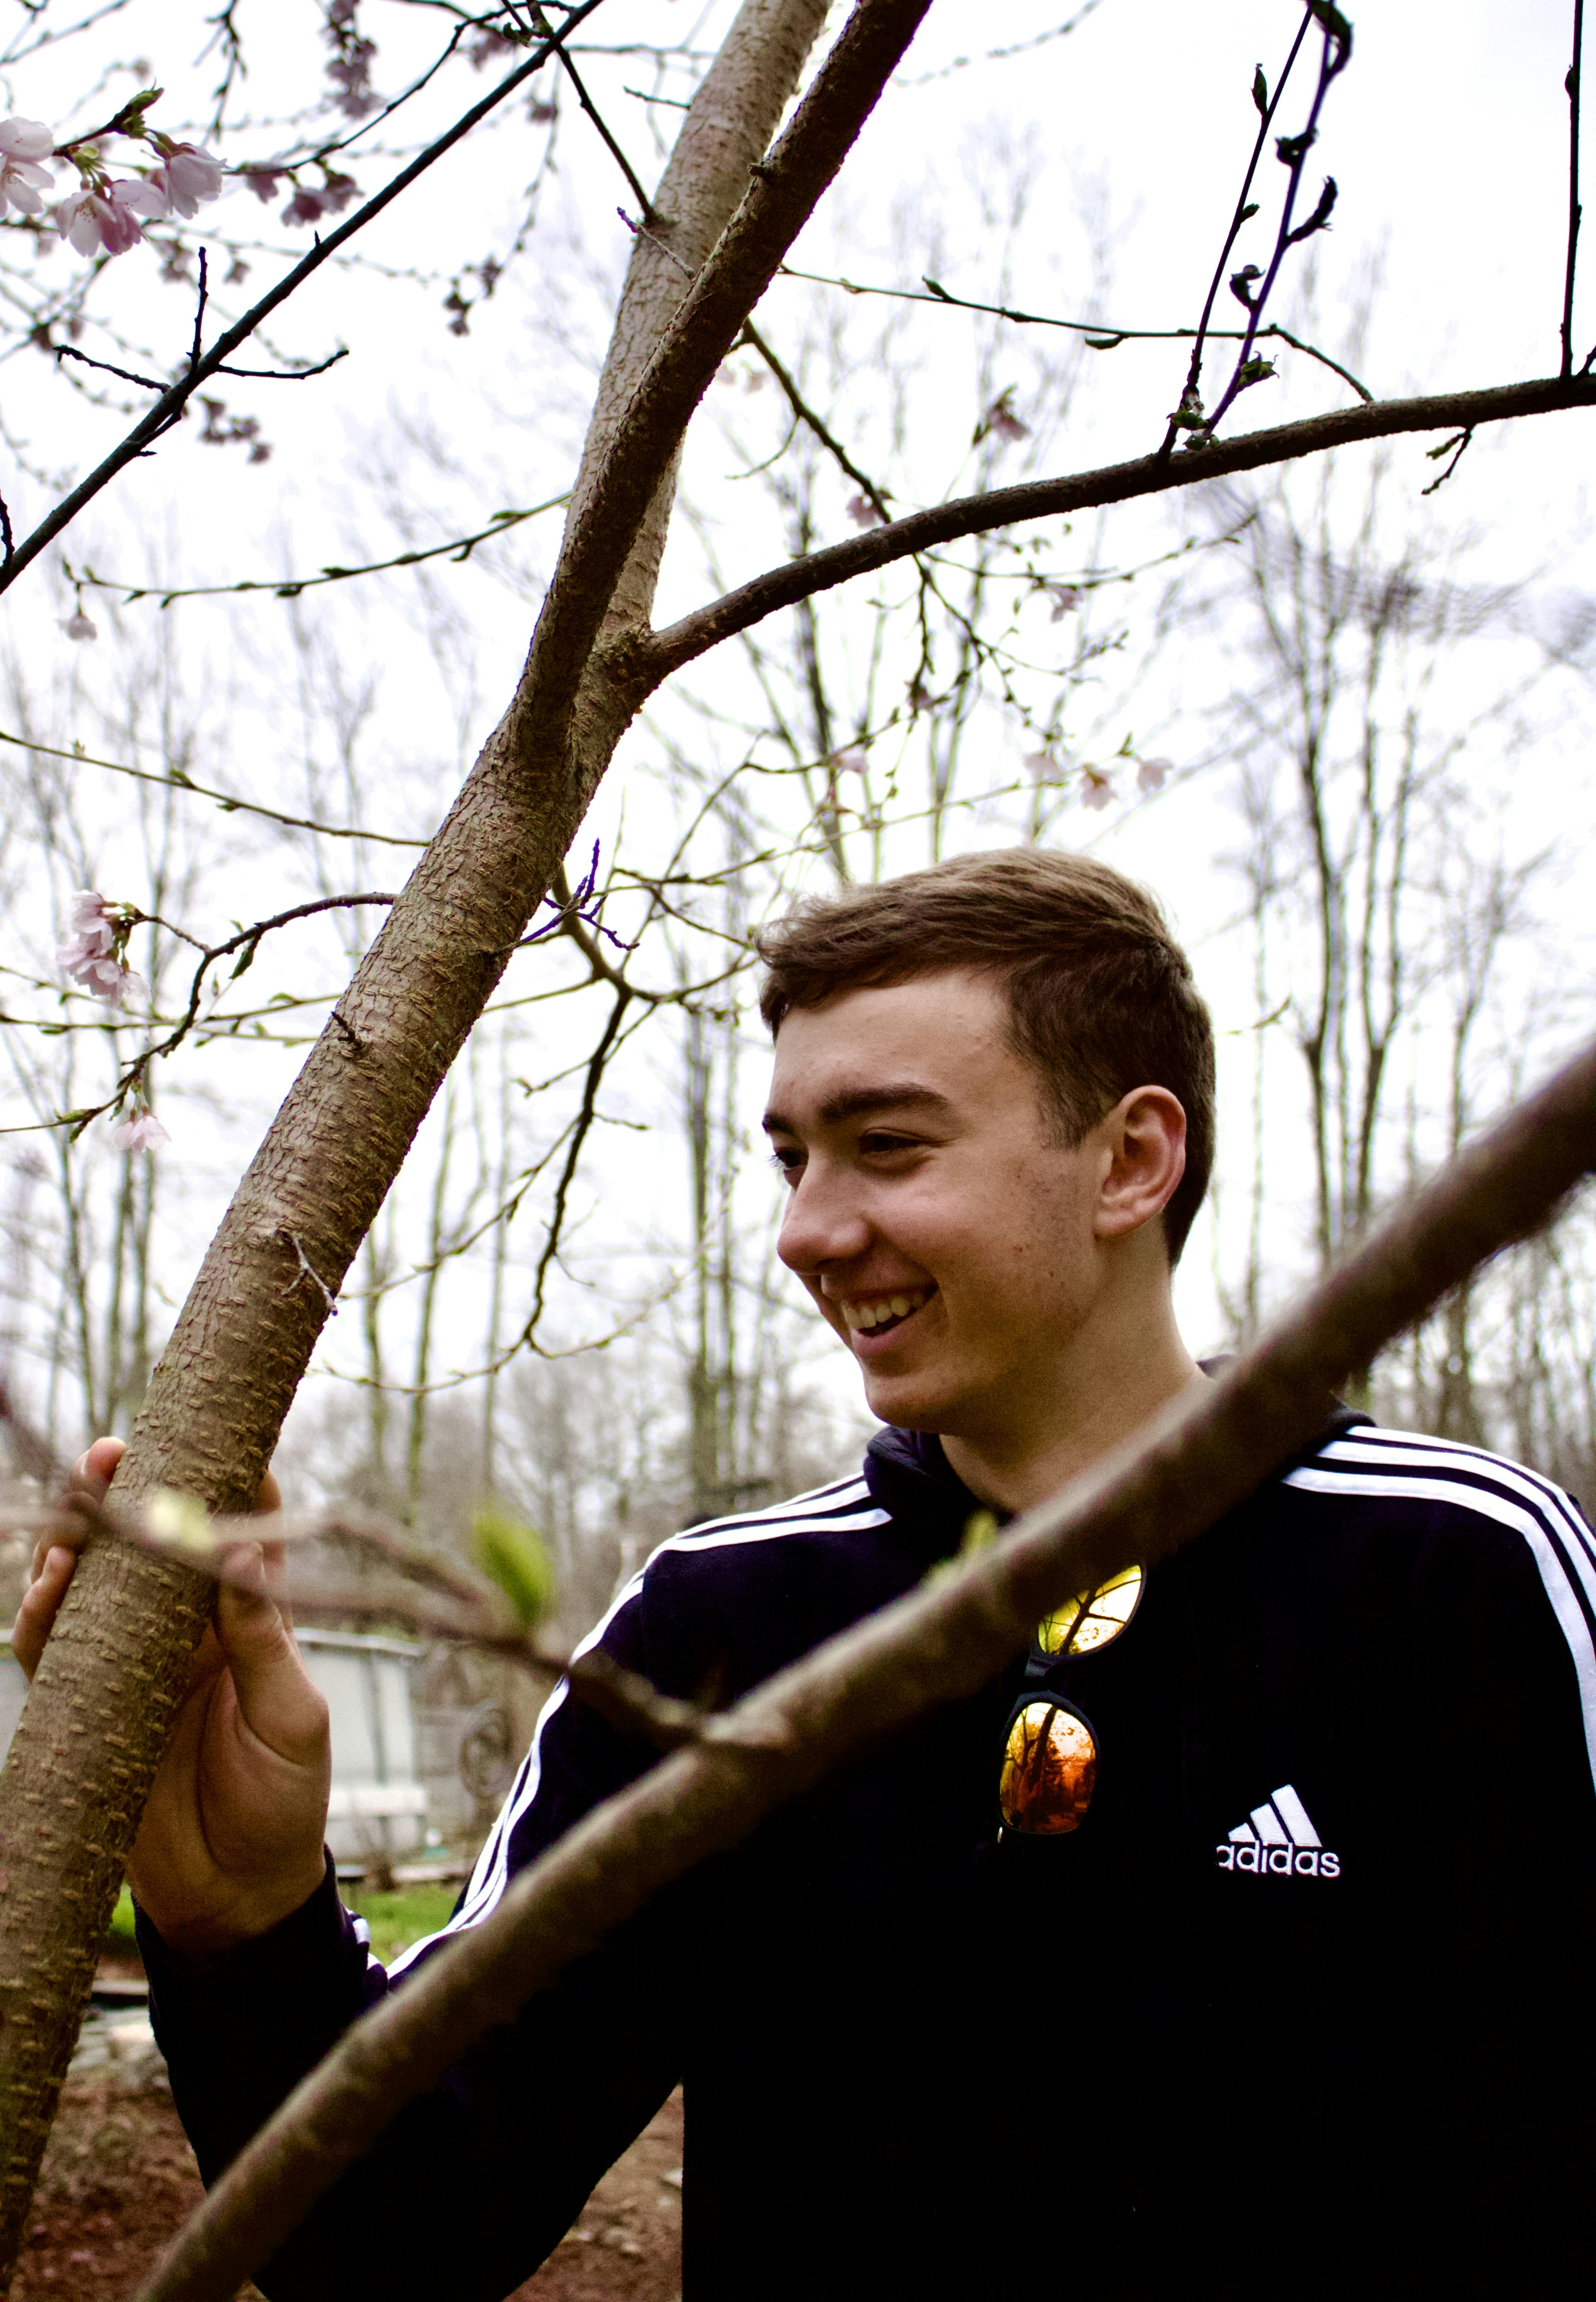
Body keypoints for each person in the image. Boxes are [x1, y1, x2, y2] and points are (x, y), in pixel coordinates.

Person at [17, 847, 1596, 2300]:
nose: (806, 1231)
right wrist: (245, 1922)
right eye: (790, 1160)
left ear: (1130, 1162)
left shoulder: (1459, 1577)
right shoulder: (721, 1629)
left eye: (885, 1149)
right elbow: (400, 2234)